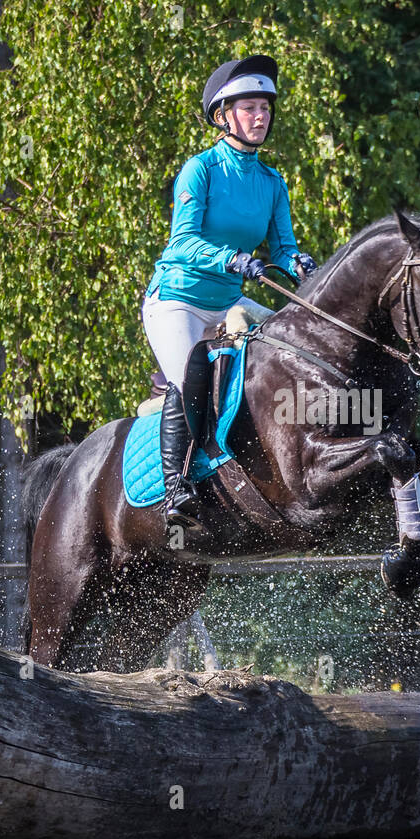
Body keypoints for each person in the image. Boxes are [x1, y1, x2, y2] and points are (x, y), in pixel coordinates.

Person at [142, 54, 317, 533]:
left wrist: (301, 265)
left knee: (294, 347)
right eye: (248, 108)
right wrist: (232, 259)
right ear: (224, 116)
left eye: (264, 108)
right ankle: (176, 488)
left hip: (226, 302)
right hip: (177, 299)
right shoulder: (199, 170)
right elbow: (182, 242)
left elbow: (283, 246)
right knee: (190, 379)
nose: (260, 116)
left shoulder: (271, 181)